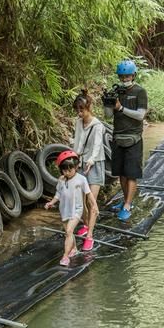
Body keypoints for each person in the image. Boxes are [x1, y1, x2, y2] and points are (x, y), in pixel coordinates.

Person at [106, 59, 148, 222]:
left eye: (127, 76)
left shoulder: (140, 92)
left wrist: (121, 108)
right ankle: (125, 201)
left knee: (131, 174)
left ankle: (128, 206)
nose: (124, 79)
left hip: (134, 138)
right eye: (122, 76)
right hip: (118, 137)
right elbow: (108, 116)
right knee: (121, 174)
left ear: (134, 75)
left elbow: (140, 115)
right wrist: (108, 103)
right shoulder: (115, 91)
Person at [44, 150, 99, 265]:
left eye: (70, 169)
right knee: (68, 232)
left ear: (76, 167)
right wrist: (52, 202)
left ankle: (65, 256)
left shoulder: (81, 179)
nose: (68, 172)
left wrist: (94, 205)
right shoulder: (61, 180)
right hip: (64, 210)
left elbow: (88, 194)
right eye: (65, 170)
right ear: (61, 170)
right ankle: (73, 249)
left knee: (69, 230)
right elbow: (58, 194)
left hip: (76, 210)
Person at [72, 90, 105, 239]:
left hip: (95, 163)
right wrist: (75, 158)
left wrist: (91, 160)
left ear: (89, 107)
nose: (79, 113)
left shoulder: (98, 125)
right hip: (82, 163)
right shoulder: (79, 123)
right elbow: (78, 142)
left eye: (82, 110)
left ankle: (90, 235)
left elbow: (97, 145)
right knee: (81, 198)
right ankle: (85, 225)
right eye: (77, 110)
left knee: (92, 199)